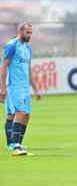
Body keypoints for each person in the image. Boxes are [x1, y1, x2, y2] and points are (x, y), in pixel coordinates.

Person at [0, 22, 41, 156]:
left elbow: (28, 70)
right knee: (19, 113)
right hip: (14, 85)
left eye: (31, 32)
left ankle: (15, 143)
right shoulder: (12, 45)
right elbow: (4, 66)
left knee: (26, 115)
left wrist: (35, 89)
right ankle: (15, 146)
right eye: (27, 32)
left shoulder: (27, 48)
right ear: (20, 31)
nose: (30, 35)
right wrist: (2, 87)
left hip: (24, 87)